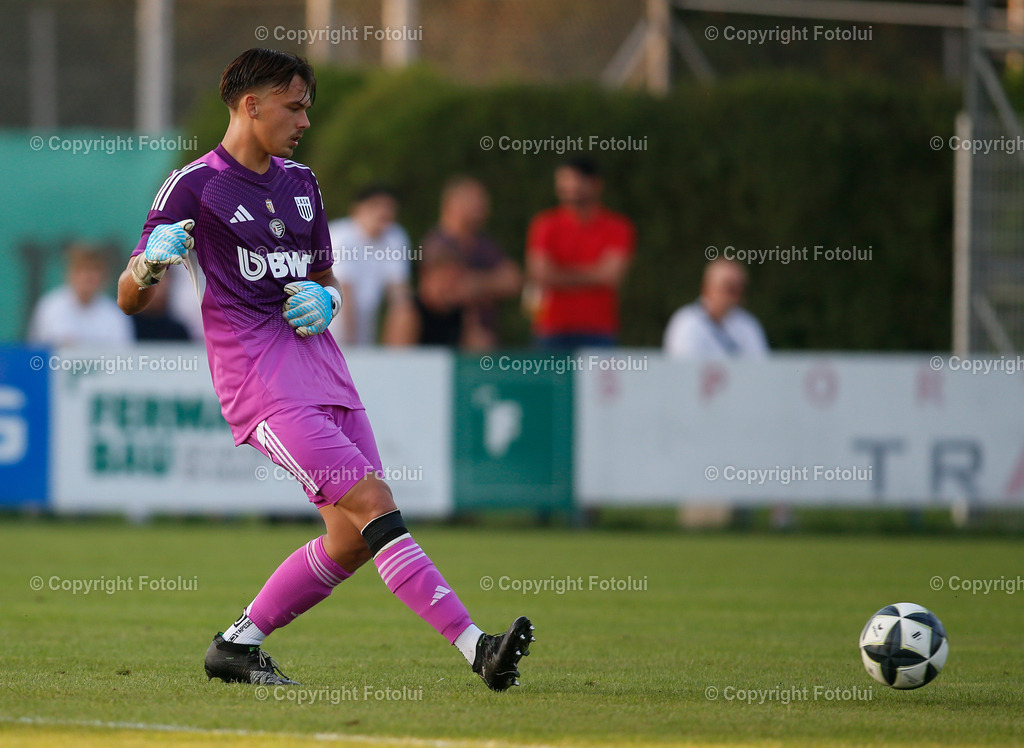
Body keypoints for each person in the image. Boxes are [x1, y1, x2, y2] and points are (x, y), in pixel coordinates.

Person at [116, 48, 533, 690]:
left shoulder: (302, 184)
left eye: (307, 107)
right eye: (295, 106)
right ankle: (478, 647)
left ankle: (236, 644)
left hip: (328, 376)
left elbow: (326, 277)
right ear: (251, 105)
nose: (305, 120)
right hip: (262, 386)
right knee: (374, 503)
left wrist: (329, 299)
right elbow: (128, 297)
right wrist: (147, 267)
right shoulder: (194, 185)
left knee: (352, 538)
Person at [526, 158, 635, 349]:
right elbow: (539, 273)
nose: (568, 187)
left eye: (574, 180)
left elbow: (611, 276)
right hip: (551, 329)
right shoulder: (545, 225)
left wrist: (558, 275)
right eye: (563, 180)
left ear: (595, 184)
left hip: (599, 330)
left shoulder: (617, 227)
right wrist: (593, 274)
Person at [410, 176, 521, 349]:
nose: (482, 206)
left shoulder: (484, 243)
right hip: (447, 341)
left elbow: (514, 281)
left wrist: (476, 284)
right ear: (452, 204)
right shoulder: (435, 244)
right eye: (474, 200)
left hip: (483, 340)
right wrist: (491, 285)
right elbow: (445, 294)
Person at [327, 185, 415, 346]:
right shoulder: (339, 235)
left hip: (365, 334)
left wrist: (404, 317)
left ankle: (399, 359)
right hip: (328, 329)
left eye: (389, 207)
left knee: (405, 311)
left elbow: (399, 291)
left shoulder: (394, 237)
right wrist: (351, 346)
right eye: (375, 206)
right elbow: (343, 291)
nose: (383, 212)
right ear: (357, 209)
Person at [28, 243, 135, 347]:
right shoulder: (49, 307)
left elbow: (123, 355)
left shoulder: (114, 314)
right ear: (69, 273)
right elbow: (35, 350)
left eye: (94, 270)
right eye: (81, 269)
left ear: (104, 276)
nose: (87, 276)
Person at [663, 258, 769, 358]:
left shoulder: (748, 325)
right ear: (708, 286)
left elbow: (760, 365)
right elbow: (683, 366)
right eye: (729, 287)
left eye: (741, 287)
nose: (736, 294)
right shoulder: (686, 323)